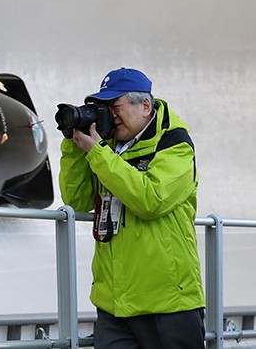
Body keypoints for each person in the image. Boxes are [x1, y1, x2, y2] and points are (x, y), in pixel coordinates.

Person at [58, 68, 206, 348]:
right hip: (115, 304)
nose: (110, 115)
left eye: (115, 106)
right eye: (104, 107)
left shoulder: (174, 144)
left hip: (168, 303)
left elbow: (151, 200)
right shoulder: (107, 149)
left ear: (145, 106)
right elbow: (76, 199)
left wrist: (97, 153)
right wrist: (74, 147)